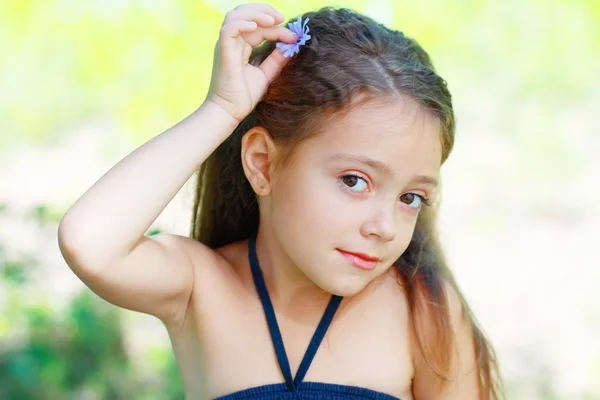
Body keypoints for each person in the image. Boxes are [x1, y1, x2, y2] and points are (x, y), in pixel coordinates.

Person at [58, 3, 502, 399]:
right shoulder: (202, 289)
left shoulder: (421, 309)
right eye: (354, 180)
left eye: (410, 196)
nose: (384, 226)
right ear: (263, 164)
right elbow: (91, 243)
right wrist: (221, 109)